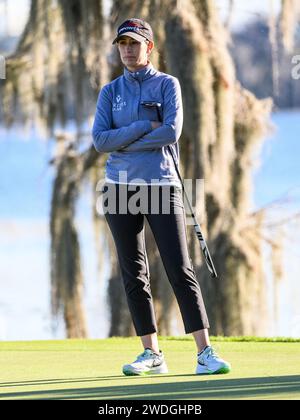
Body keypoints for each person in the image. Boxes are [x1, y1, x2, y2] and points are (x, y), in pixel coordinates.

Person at [92, 18, 231, 376]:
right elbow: (100, 141)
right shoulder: (110, 92)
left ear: (149, 47)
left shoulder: (168, 84)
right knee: (133, 272)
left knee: (179, 268)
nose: (127, 49)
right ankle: (151, 353)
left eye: (134, 43)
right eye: (122, 44)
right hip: (119, 188)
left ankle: (204, 352)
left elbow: (171, 131)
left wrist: (123, 137)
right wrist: (142, 128)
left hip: (162, 186)